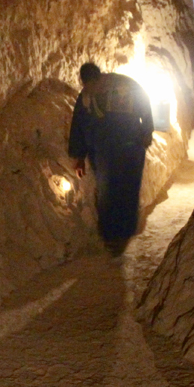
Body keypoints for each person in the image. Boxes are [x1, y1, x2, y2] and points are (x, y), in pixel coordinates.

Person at [68, 62, 153, 256]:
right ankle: (110, 236)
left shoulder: (126, 87)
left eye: (90, 84)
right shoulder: (88, 96)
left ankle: (123, 234)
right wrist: (78, 156)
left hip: (129, 150)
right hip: (105, 153)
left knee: (128, 190)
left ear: (98, 77)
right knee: (108, 193)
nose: (88, 88)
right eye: (85, 85)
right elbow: (78, 125)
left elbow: (145, 106)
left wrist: (147, 131)